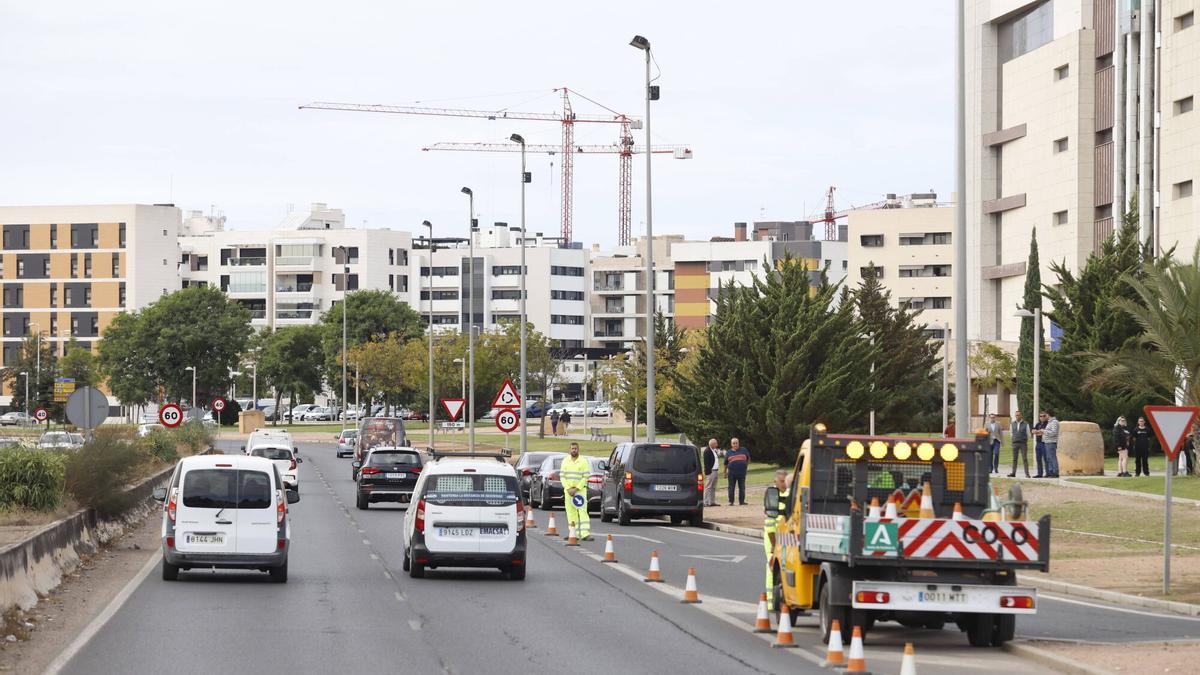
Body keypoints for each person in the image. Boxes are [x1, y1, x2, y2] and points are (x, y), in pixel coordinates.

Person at [762, 469, 789, 610]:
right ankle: (771, 601)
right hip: (772, 537)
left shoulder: (790, 494)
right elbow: (770, 523)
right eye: (782, 481)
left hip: (786, 537)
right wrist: (773, 545)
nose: (784, 484)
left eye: (786, 481)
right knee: (772, 565)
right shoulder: (772, 496)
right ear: (775, 482)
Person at [559, 442, 592, 541]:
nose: (574, 450)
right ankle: (574, 533)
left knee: (582, 511)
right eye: (572, 448)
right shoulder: (565, 461)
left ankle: (585, 534)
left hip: (580, 491)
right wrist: (568, 488)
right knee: (570, 512)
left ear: (578, 449)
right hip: (568, 491)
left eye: (575, 448)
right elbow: (562, 476)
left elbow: (585, 476)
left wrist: (576, 488)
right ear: (569, 450)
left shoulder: (583, 461)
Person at [724, 437, 750, 506]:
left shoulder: (744, 450)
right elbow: (725, 463)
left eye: (736, 443)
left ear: (738, 443)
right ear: (731, 444)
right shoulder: (728, 452)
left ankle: (742, 501)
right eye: (733, 443)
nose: (735, 444)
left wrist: (745, 466)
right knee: (731, 487)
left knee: (742, 487)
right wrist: (724, 472)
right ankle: (731, 502)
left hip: (742, 472)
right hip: (731, 473)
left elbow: (748, 459)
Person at [1039, 409, 1061, 478]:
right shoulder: (1049, 422)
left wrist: (1044, 431)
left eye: (1045, 415)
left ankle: (1055, 472)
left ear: (1048, 414)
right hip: (1047, 442)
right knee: (1049, 458)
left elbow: (1054, 432)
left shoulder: (1054, 422)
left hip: (1051, 442)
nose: (1045, 416)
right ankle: (1051, 472)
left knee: (1052, 457)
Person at [1008, 410, 1030, 478]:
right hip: (1015, 443)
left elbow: (1028, 434)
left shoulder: (1026, 424)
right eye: (1016, 415)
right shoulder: (1012, 424)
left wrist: (1024, 439)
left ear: (1021, 416)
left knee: (1024, 459)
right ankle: (1013, 473)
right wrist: (1014, 437)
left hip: (1023, 443)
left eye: (1018, 415)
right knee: (1014, 459)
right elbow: (1011, 433)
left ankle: (1027, 474)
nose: (1017, 416)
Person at [702, 439, 721, 507]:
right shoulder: (707, 451)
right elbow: (706, 463)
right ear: (712, 444)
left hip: (715, 471)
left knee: (713, 487)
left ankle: (712, 501)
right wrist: (708, 472)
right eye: (716, 443)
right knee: (708, 487)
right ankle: (706, 502)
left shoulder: (714, 450)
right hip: (711, 471)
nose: (717, 445)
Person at [1033, 413, 1048, 478]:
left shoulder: (1047, 424)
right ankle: (1039, 473)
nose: (1042, 417)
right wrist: (1038, 432)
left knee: (1046, 459)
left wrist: (1037, 432)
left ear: (1045, 417)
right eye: (1040, 416)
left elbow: (1043, 433)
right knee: (1038, 459)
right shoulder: (1038, 424)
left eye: (1043, 416)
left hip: (1044, 443)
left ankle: (1048, 473)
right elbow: (1033, 431)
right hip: (1038, 443)